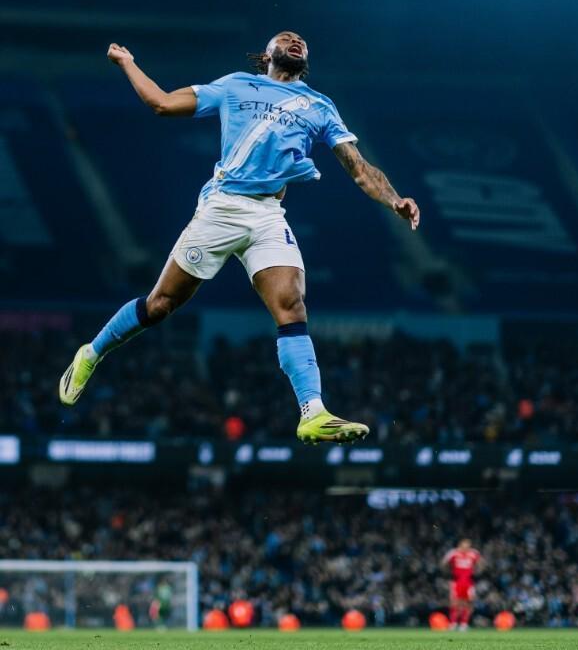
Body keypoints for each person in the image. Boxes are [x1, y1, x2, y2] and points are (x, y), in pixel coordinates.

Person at [59, 31, 420, 444]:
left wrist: (395, 200)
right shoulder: (235, 85)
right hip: (222, 207)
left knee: (292, 306)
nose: (295, 40)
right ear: (267, 54)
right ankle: (92, 352)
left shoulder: (319, 106)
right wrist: (127, 63)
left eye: (301, 40)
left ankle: (313, 412)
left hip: (268, 215)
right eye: (285, 37)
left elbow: (358, 168)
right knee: (161, 305)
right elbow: (161, 103)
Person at [441, 538, 483, 630]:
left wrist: (477, 573)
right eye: (464, 545)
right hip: (457, 582)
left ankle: (464, 623)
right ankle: (453, 623)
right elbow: (443, 563)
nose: (466, 547)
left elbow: (481, 563)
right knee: (455, 603)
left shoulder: (473, 553)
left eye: (468, 545)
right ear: (460, 545)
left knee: (468, 603)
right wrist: (449, 574)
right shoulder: (453, 553)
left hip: (468, 582)